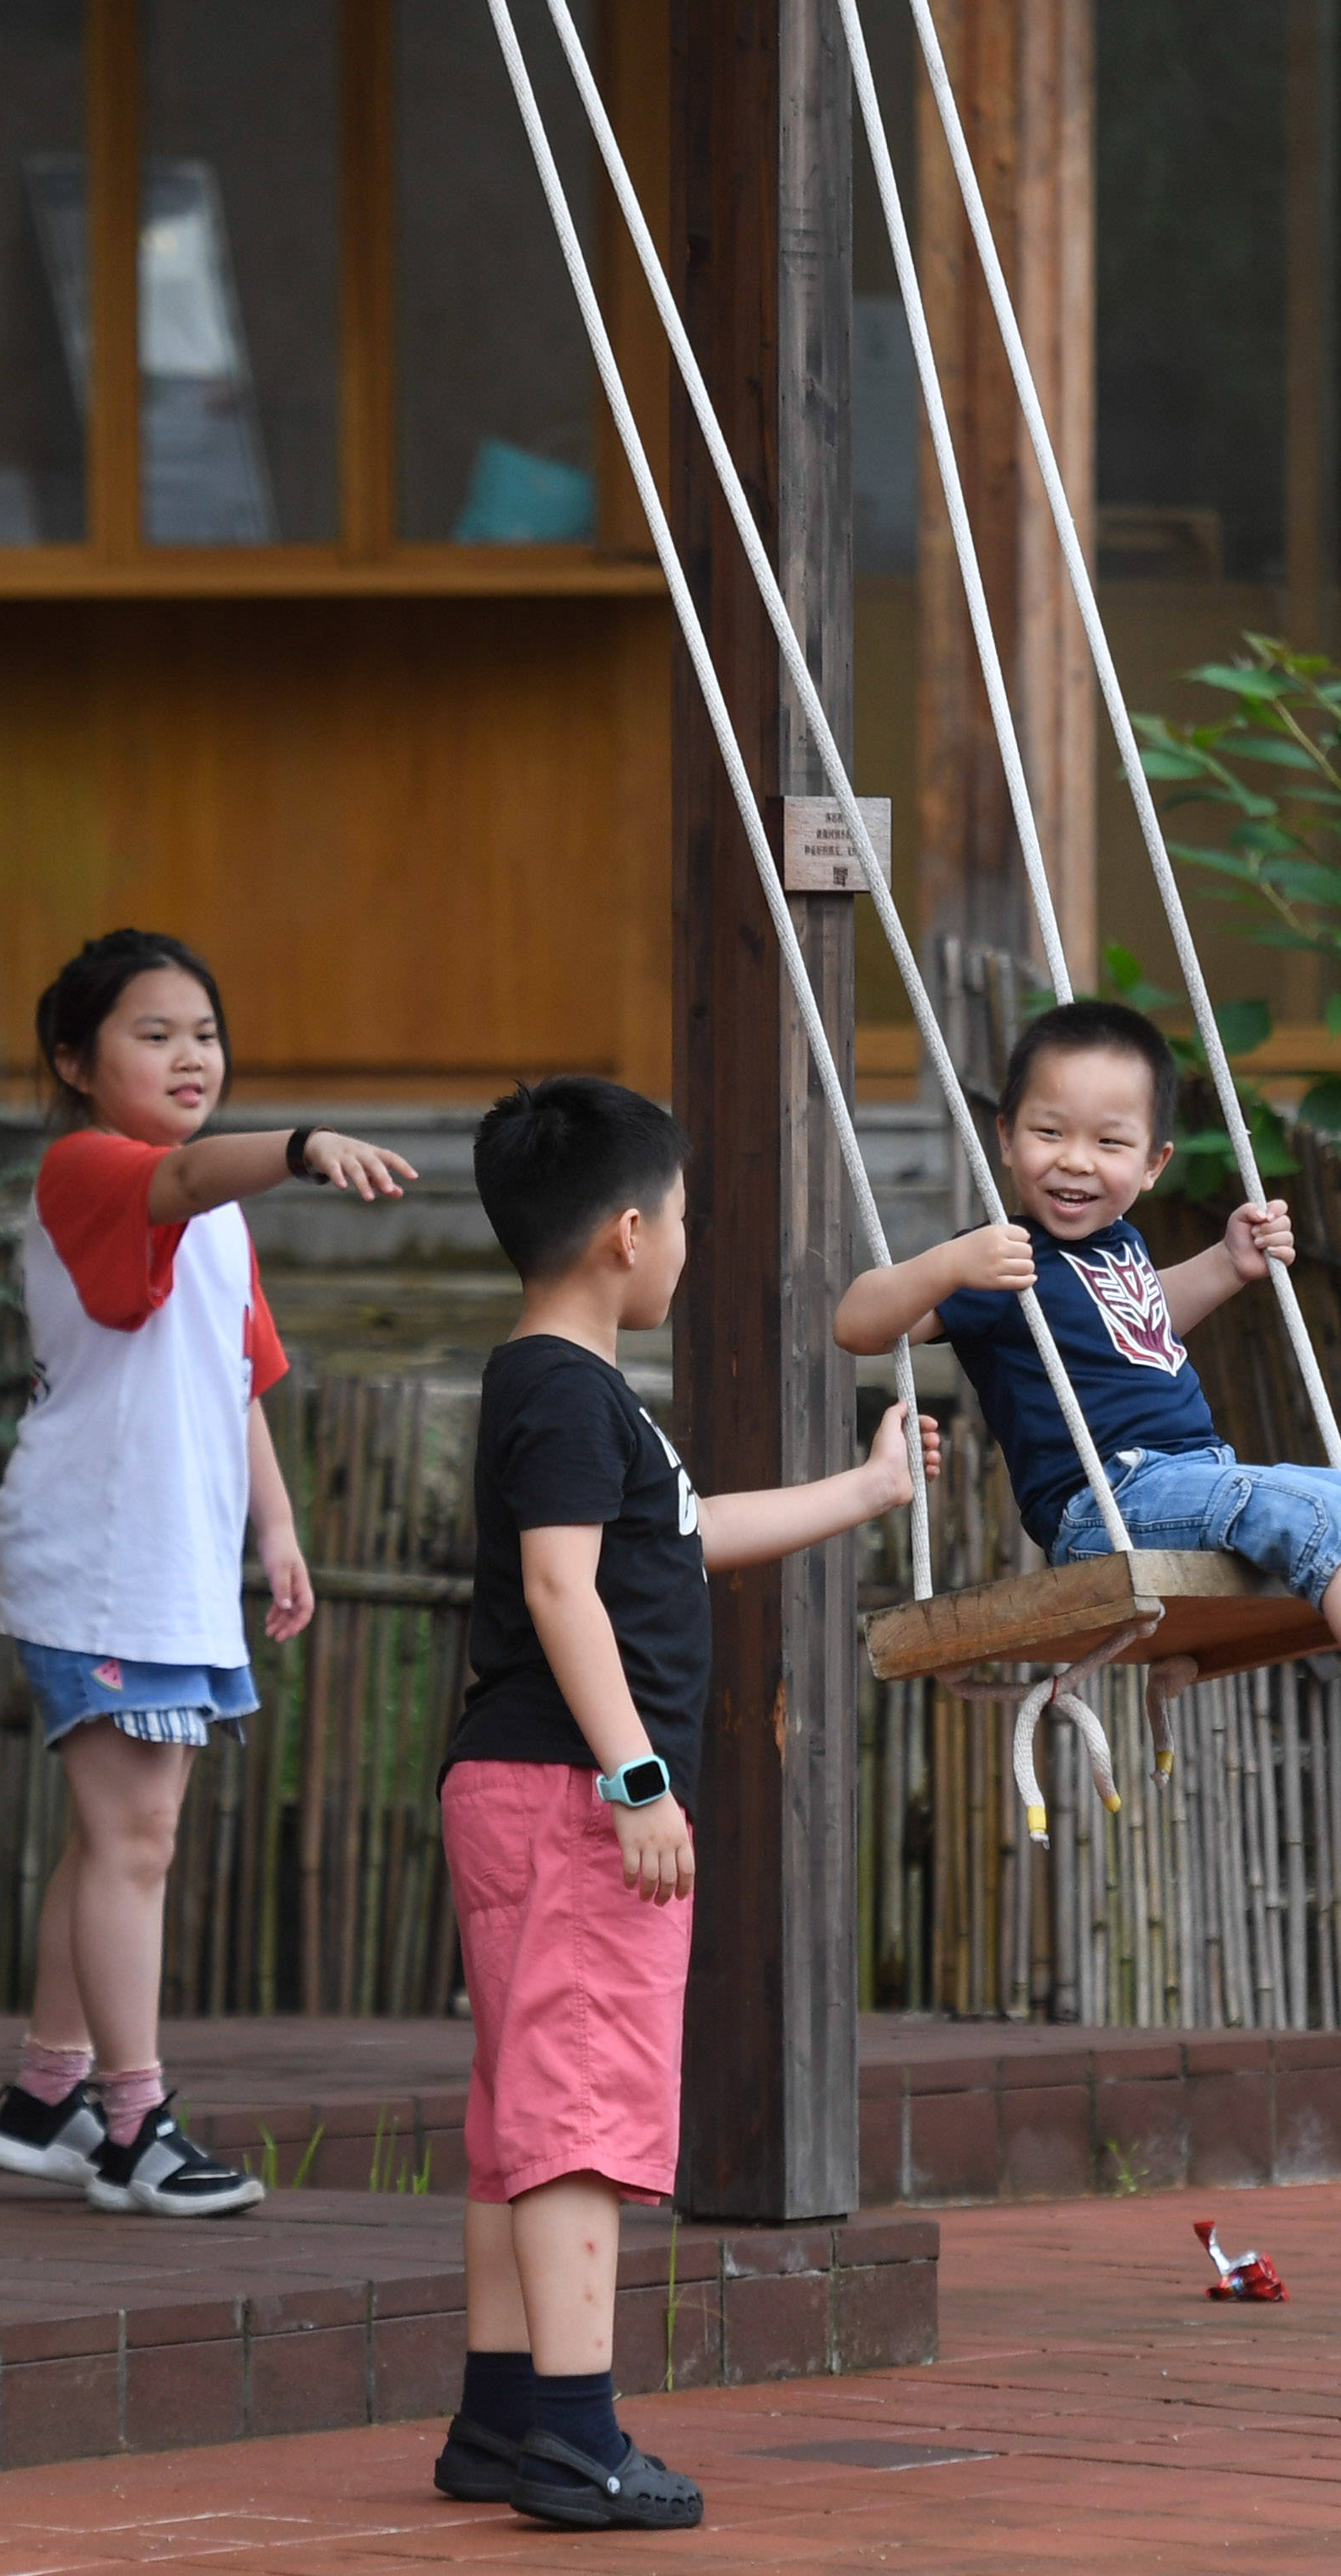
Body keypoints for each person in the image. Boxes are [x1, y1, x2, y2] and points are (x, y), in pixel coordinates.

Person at [429, 1076, 939, 2532]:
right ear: (630, 1233)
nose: (690, 1248)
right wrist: (636, 1773)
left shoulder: (564, 1392)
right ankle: (577, 2439)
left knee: (521, 2110)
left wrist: (863, 1489)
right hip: (568, 1792)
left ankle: (502, 2417)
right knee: (581, 2104)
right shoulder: (567, 1390)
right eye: (691, 1223)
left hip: (522, 1786)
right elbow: (559, 1589)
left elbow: (686, 1532)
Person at [830, 999, 1341, 1877]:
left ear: (1155, 1162)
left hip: (1191, 1478)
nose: (1076, 1161)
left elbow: (1143, 1323)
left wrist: (1226, 1264)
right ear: (1006, 1136)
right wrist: (949, 1262)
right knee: (1319, 1515)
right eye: (1049, 1131)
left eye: (1110, 1142)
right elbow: (857, 1322)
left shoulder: (1115, 1249)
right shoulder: (996, 1259)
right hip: (1109, 1501)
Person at [0, 929, 418, 2216]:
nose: (188, 1055)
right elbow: (178, 1182)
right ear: (75, 1058)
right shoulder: (89, 1169)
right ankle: (133, 2125)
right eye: (152, 1033)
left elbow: (238, 1381)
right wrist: (295, 1149)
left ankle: (48, 2092)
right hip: (99, 1559)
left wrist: (274, 1530)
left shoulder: (213, 1215)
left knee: (116, 1834)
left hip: (168, 1565)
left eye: (204, 1034)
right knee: (136, 1835)